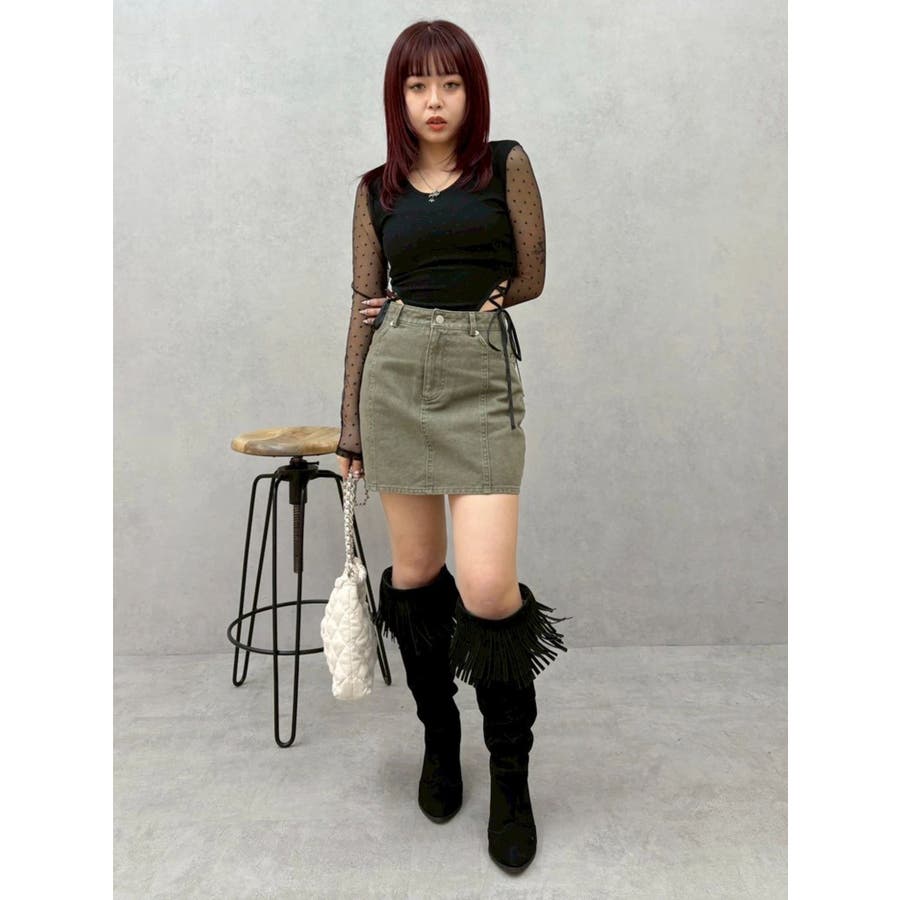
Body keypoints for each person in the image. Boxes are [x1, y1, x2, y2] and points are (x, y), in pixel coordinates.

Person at [335, 20, 571, 875]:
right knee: (416, 573)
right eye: (416, 86)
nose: (433, 101)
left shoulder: (505, 165)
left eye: (450, 84)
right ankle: (441, 740)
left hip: (479, 380)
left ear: (472, 91)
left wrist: (485, 304)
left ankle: (511, 777)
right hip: (396, 380)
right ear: (397, 97)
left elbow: (532, 273)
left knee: (488, 587)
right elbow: (364, 303)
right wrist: (350, 428)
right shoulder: (375, 191)